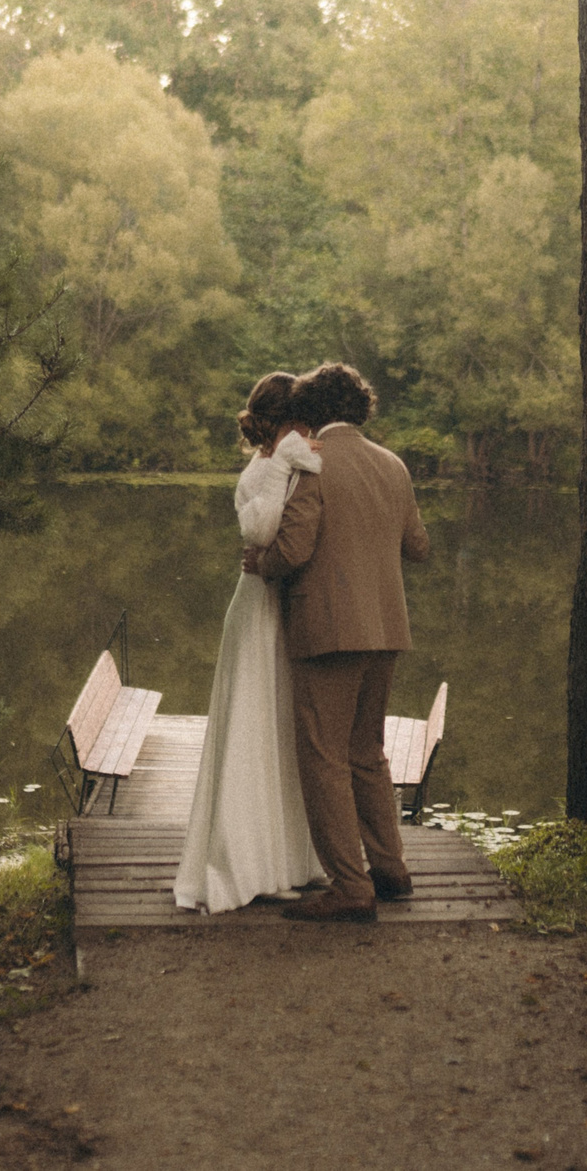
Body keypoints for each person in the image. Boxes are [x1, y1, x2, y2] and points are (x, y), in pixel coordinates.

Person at [247, 361, 431, 924]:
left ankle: (351, 889)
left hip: (328, 629)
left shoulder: (315, 465)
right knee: (366, 752)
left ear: (313, 412)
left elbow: (294, 549)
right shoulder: (393, 465)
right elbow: (419, 546)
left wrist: (260, 562)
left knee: (323, 756)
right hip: (386, 629)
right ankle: (391, 870)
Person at [171, 372, 326, 913]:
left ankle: (291, 858)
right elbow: (260, 533)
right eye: (302, 419)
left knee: (283, 728)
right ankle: (250, 864)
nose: (309, 430)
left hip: (282, 603)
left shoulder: (299, 458)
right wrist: (285, 461)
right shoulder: (263, 467)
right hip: (257, 605)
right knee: (254, 726)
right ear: (284, 420)